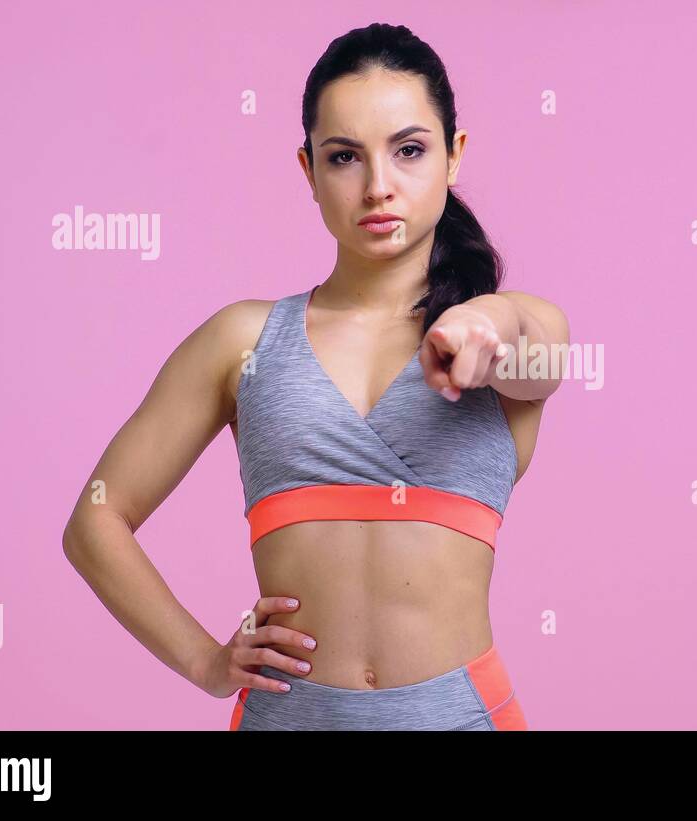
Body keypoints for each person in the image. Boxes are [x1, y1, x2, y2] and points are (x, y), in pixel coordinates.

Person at [62, 23, 568, 731]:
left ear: (454, 157)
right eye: (344, 157)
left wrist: (485, 328)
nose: (378, 186)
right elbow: (95, 518)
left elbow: (537, 356)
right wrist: (206, 661)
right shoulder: (241, 341)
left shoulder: (517, 325)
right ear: (308, 171)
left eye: (410, 150)